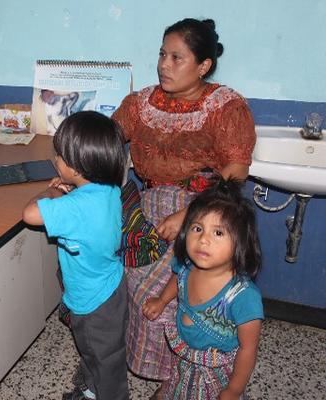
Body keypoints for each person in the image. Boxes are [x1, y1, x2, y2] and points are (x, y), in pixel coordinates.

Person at [110, 18, 256, 391]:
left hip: (204, 211)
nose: (163, 65)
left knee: (170, 289)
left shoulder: (225, 107)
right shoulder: (142, 103)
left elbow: (236, 171)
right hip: (151, 202)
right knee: (121, 272)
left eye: (177, 57)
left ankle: (177, 376)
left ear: (203, 65)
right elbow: (107, 137)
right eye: (162, 54)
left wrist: (190, 214)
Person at [23, 111, 129, 400]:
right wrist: (69, 192)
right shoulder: (108, 188)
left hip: (93, 302)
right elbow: (83, 206)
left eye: (58, 156)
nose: (55, 160)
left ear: (74, 166)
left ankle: (107, 394)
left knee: (104, 357)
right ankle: (91, 389)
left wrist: (49, 191)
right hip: (111, 286)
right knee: (99, 351)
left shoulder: (75, 207)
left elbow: (30, 214)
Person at [142, 177, 263, 399]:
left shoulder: (243, 297)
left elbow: (248, 349)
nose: (203, 239)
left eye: (218, 233)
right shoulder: (188, 265)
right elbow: (178, 281)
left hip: (217, 369)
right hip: (186, 356)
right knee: (179, 384)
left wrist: (234, 391)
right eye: (197, 228)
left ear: (241, 242)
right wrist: (162, 300)